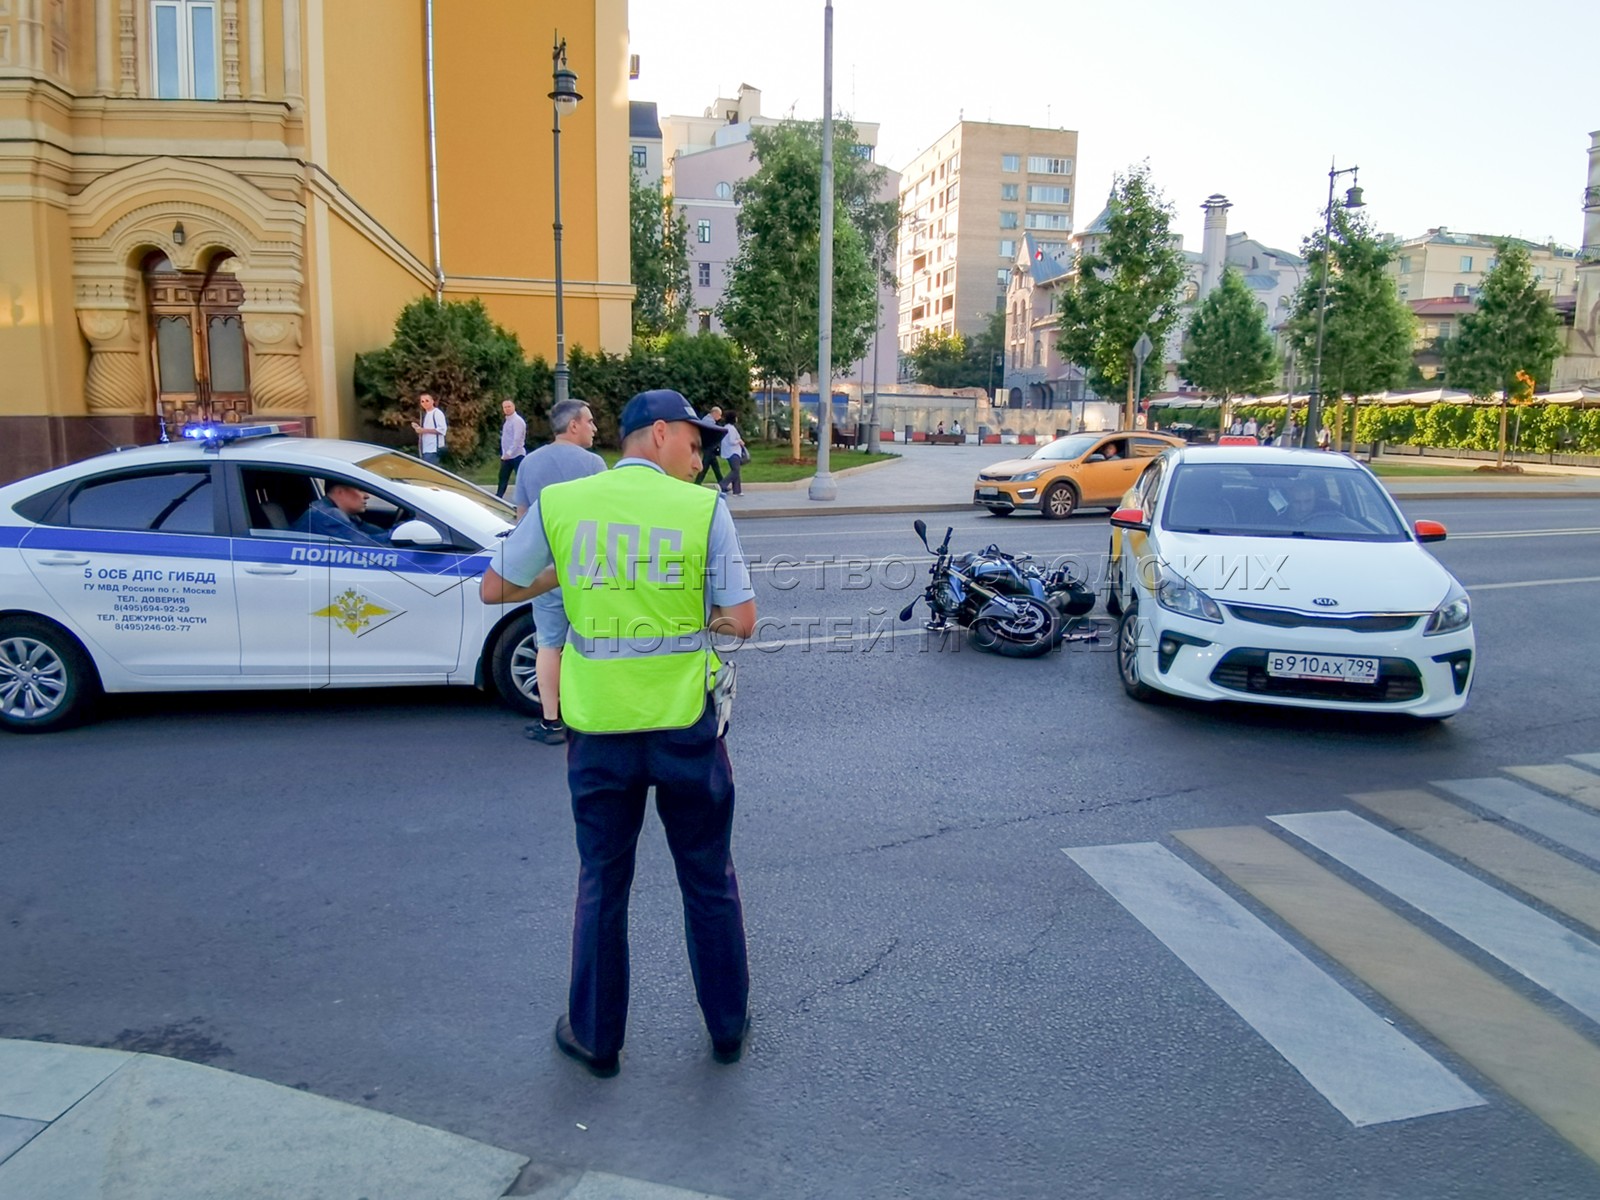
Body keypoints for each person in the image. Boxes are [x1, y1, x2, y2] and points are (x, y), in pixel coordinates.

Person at [480, 388, 757, 1078]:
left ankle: (598, 1039)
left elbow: (494, 589)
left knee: (603, 880)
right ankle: (727, 1027)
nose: (699, 462)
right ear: (658, 435)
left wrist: (564, 580)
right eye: (694, 446)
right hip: (685, 727)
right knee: (708, 878)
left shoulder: (565, 506)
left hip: (599, 731)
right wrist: (681, 629)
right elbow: (742, 620)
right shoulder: (702, 511)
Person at [512, 399, 606, 745]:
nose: (594, 428)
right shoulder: (594, 464)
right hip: (589, 570)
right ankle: (591, 715)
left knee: (549, 645)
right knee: (592, 643)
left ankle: (551, 721)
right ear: (574, 426)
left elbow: (523, 520)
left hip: (547, 570)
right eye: (590, 421)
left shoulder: (529, 464)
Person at [292, 480, 391, 544]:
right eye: (360, 490)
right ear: (340, 491)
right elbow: (368, 545)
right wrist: (395, 536)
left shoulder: (337, 511)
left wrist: (395, 532)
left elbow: (371, 531)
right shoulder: (328, 515)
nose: (367, 496)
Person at [496, 399, 527, 500]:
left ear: (514, 407)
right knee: (502, 478)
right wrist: (504, 453)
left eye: (509, 406)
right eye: (505, 407)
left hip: (517, 455)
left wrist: (509, 452)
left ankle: (524, 499)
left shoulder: (517, 421)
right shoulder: (507, 421)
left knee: (520, 479)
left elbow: (517, 439)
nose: (507, 409)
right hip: (507, 456)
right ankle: (498, 497)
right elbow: (505, 439)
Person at [694, 406, 727, 490]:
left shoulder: (707, 420)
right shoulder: (709, 421)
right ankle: (697, 483)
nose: (719, 418)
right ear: (714, 413)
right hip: (708, 447)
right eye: (719, 415)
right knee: (705, 466)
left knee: (715, 466)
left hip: (709, 447)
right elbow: (711, 434)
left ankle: (722, 484)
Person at [411, 393, 447, 465]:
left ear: (432, 401)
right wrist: (418, 428)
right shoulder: (426, 414)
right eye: (422, 401)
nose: (425, 403)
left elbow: (442, 430)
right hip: (426, 448)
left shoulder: (437, 413)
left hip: (433, 449)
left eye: (427, 401)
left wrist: (423, 430)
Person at [718, 414, 748, 496]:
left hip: (729, 452)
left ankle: (737, 490)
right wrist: (739, 441)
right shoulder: (731, 429)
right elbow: (731, 441)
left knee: (736, 471)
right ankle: (722, 485)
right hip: (733, 452)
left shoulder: (726, 427)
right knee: (735, 470)